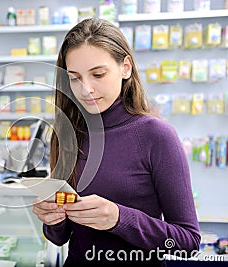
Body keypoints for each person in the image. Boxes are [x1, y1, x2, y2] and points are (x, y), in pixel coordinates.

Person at [32, 18, 200, 266]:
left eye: (98, 74)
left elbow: (188, 243)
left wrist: (120, 219)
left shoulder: (156, 136)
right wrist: (51, 218)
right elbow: (60, 237)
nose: (86, 89)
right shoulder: (66, 134)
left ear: (126, 67)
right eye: (75, 78)